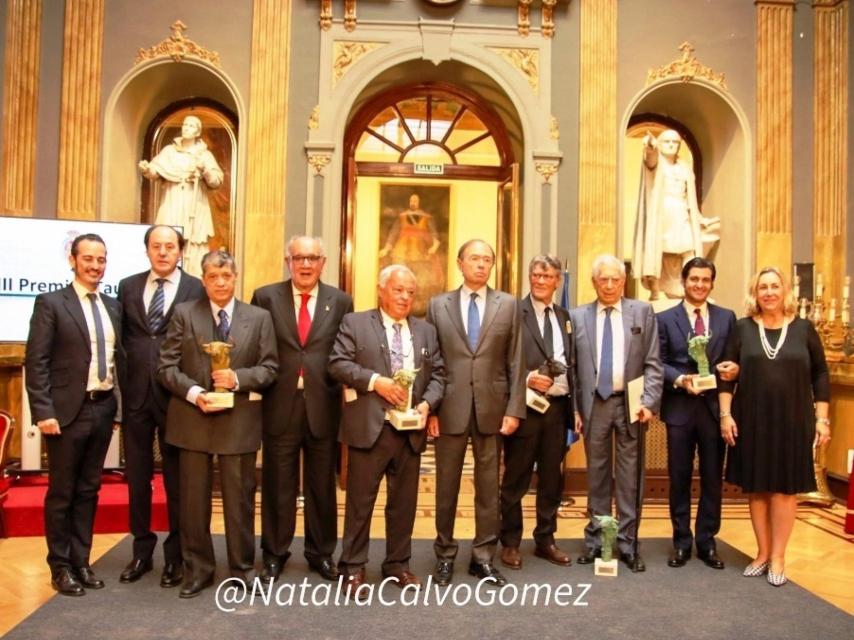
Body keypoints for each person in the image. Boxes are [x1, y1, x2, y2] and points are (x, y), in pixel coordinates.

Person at [158, 250, 278, 598]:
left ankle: (242, 569)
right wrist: (195, 393)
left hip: (238, 422)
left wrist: (237, 378)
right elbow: (166, 367)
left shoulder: (258, 318)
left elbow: (270, 368)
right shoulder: (183, 314)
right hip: (192, 418)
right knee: (193, 503)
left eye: (226, 276)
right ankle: (197, 570)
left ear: (235, 277)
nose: (221, 283)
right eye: (213, 277)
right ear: (204, 279)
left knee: (239, 502)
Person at [328, 265, 445, 597]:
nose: (406, 297)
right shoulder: (355, 323)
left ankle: (397, 565)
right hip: (369, 427)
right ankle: (352, 566)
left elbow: (438, 375)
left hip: (410, 431)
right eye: (398, 290)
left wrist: (427, 405)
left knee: (403, 504)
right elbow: (337, 363)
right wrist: (375, 382)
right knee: (360, 503)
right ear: (381, 290)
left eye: (411, 292)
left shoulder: (426, 332)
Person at [25, 234, 126, 596]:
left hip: (102, 410)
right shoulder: (51, 303)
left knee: (89, 490)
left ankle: (82, 561)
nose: (95, 265)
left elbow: (119, 362)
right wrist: (43, 411)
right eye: (88, 259)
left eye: (101, 259)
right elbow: (36, 362)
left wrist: (118, 408)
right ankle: (60, 566)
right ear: (72, 260)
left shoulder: (113, 306)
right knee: (62, 493)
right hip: (66, 413)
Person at [719, 266, 830, 587]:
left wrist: (822, 418)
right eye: (762, 287)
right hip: (752, 417)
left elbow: (820, 375)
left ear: (785, 292)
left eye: (774, 286)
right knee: (757, 487)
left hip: (793, 420)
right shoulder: (741, 329)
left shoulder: (804, 328)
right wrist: (726, 415)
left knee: (784, 489)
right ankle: (762, 552)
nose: (768, 292)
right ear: (755, 293)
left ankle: (779, 555)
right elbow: (725, 375)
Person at [250, 236, 353, 582]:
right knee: (278, 483)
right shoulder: (265, 297)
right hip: (279, 403)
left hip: (323, 404)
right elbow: (255, 347)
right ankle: (275, 553)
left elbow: (345, 353)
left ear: (323, 262)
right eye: (298, 258)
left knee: (322, 485)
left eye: (312, 258)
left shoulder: (340, 301)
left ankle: (321, 553)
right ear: (287, 261)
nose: (305, 264)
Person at [426, 239, 526, 587]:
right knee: (446, 487)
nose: (481, 265)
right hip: (449, 408)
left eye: (487, 260)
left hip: (493, 410)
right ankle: (444, 555)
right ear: (459, 263)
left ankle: (483, 557)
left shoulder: (508, 304)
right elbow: (431, 361)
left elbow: (516, 360)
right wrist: (430, 410)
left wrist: (514, 409)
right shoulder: (438, 305)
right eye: (475, 259)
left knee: (487, 488)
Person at [117, 225, 205, 587]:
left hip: (176, 399)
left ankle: (176, 556)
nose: (163, 252)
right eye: (157, 246)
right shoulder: (127, 286)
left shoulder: (195, 288)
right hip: (136, 396)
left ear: (181, 251)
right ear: (147, 250)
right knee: (137, 479)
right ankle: (141, 552)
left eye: (170, 246)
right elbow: (122, 340)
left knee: (177, 481)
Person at [570, 254, 663, 572]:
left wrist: (649, 403)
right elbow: (571, 370)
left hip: (631, 406)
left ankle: (628, 543)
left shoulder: (643, 311)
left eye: (615, 279)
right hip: (594, 404)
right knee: (596, 475)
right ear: (594, 282)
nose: (609, 285)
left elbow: (653, 361)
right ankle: (596, 541)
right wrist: (574, 409)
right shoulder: (578, 315)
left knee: (629, 477)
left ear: (624, 282)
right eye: (603, 279)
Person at [656, 257, 738, 570]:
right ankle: (681, 542)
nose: (699, 285)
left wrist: (733, 369)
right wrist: (679, 379)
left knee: (712, 478)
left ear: (712, 283)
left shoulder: (727, 318)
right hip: (679, 407)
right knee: (678, 477)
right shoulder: (664, 319)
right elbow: (657, 361)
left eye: (705, 280)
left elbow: (732, 359)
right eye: (694, 279)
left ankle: (707, 541)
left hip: (715, 409)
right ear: (684, 281)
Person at [499, 255, 576, 571]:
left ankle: (545, 539)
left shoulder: (564, 316)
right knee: (516, 479)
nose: (541, 281)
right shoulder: (514, 312)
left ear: (558, 280)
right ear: (529, 277)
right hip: (525, 408)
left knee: (550, 479)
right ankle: (511, 543)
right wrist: (528, 377)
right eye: (536, 275)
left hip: (557, 409)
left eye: (548, 276)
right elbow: (499, 360)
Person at [633, 129, 720, 300]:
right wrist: (651, 147)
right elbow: (651, 159)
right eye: (667, 142)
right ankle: (655, 290)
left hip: (681, 212)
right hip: (661, 214)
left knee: (689, 249)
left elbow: (691, 199)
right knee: (658, 251)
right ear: (660, 144)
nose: (672, 145)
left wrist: (700, 219)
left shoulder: (685, 167)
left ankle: (692, 287)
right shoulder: (657, 163)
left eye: (675, 142)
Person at [138, 115, 224, 278]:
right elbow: (156, 170)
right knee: (168, 235)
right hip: (173, 199)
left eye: (191, 126)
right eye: (185, 125)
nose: (186, 128)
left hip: (194, 201)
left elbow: (216, 180)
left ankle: (192, 277)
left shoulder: (203, 155)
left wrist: (204, 169)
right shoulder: (169, 152)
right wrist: (147, 169)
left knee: (194, 241)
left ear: (197, 132)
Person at [378, 193, 444, 316]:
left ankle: (418, 309)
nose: (413, 202)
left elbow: (435, 236)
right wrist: (386, 248)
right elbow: (393, 233)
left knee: (420, 281)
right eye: (411, 200)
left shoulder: (426, 218)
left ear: (419, 202)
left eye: (415, 200)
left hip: (420, 253)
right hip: (402, 252)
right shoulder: (402, 217)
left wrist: (433, 247)